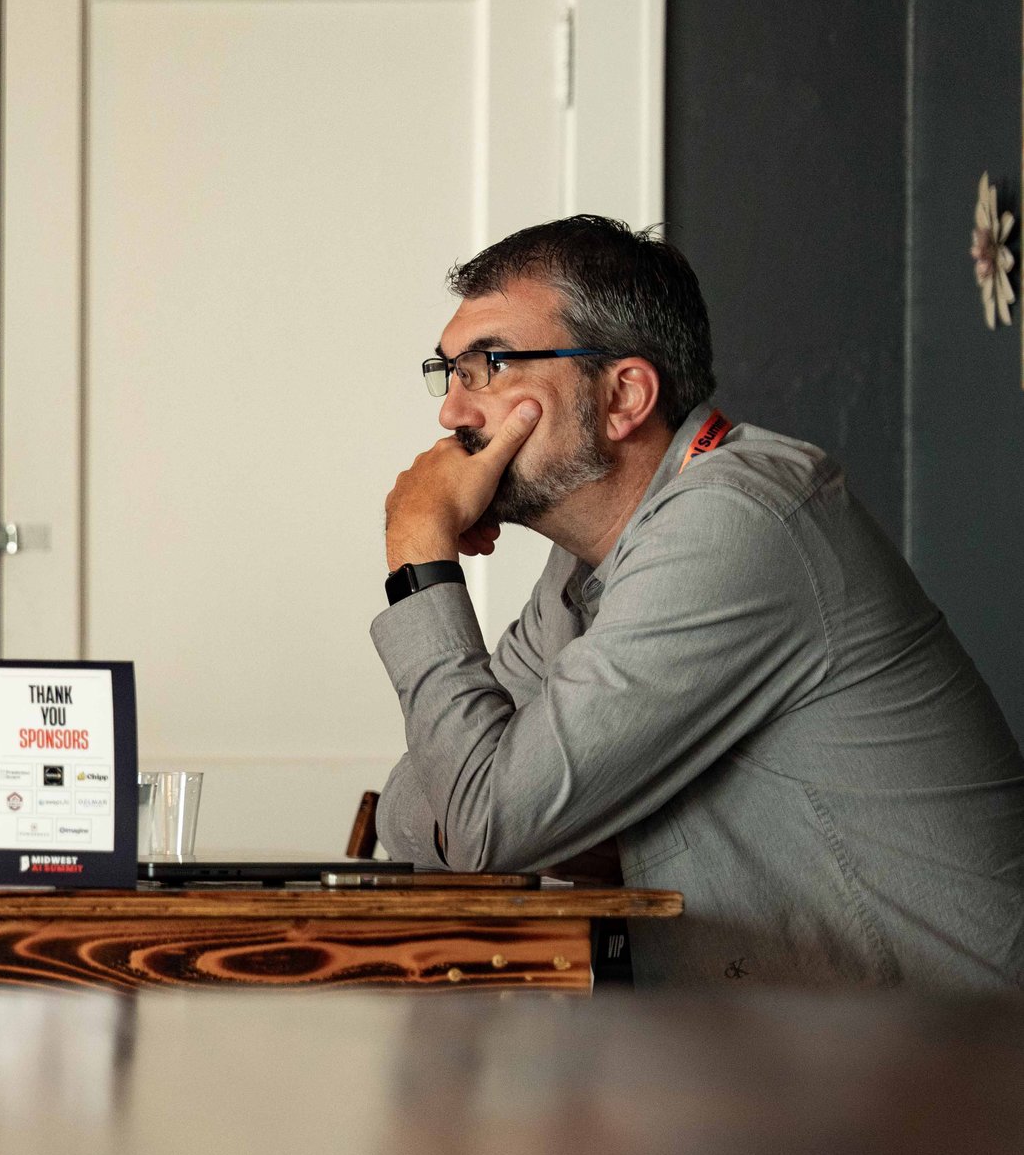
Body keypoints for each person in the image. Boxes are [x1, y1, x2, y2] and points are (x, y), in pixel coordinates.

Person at [374, 215, 1024, 989]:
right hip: (794, 1044)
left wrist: (419, 553)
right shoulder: (579, 570)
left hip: (958, 1050)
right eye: (447, 371)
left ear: (624, 395)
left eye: (490, 365)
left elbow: (482, 821)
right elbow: (408, 811)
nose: (451, 412)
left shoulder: (738, 521)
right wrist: (536, 815)